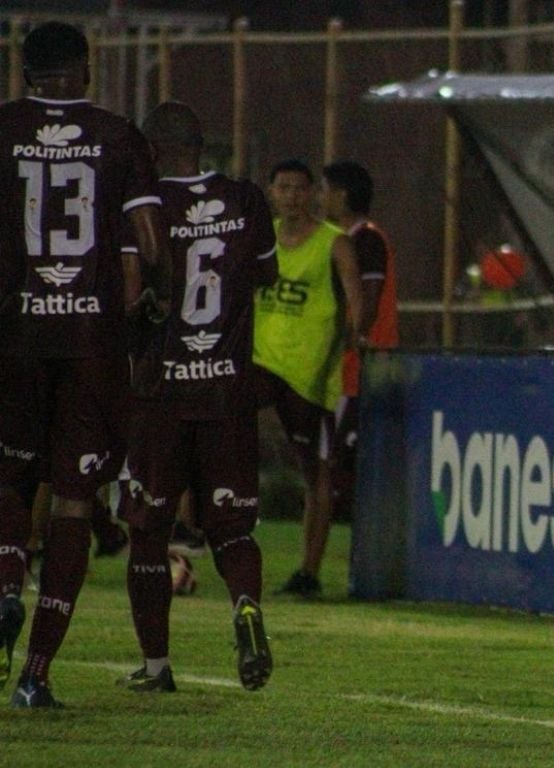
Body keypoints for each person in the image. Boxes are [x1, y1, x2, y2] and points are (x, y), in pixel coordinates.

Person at [0, 21, 170, 708]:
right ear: (87, 70)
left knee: (8, 478)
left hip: (13, 335)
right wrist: (150, 319)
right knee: (75, 499)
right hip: (92, 343)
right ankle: (35, 674)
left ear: (24, 70)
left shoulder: (3, 127)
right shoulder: (119, 135)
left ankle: (7, 584)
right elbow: (151, 244)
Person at [116, 101, 278, 693]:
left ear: (153, 150)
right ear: (202, 144)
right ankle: (245, 607)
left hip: (161, 391)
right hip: (228, 390)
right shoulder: (246, 200)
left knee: (149, 530)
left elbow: (132, 290)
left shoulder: (144, 207)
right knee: (233, 527)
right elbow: (264, 276)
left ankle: (157, 666)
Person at [254, 159, 362, 599]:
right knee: (213, 431)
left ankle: (309, 571)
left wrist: (351, 341)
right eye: (284, 188)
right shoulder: (261, 240)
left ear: (312, 193)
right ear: (272, 192)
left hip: (308, 371)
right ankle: (198, 533)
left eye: (300, 188)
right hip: (260, 360)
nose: (292, 196)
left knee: (313, 469)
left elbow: (355, 297)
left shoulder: (333, 243)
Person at [319, 161, 399, 546]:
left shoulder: (365, 239)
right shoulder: (346, 238)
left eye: (327, 189)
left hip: (362, 368)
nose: (322, 197)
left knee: (343, 460)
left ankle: (365, 545)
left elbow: (367, 299)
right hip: (348, 368)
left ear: (344, 195)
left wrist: (352, 337)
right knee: (337, 459)